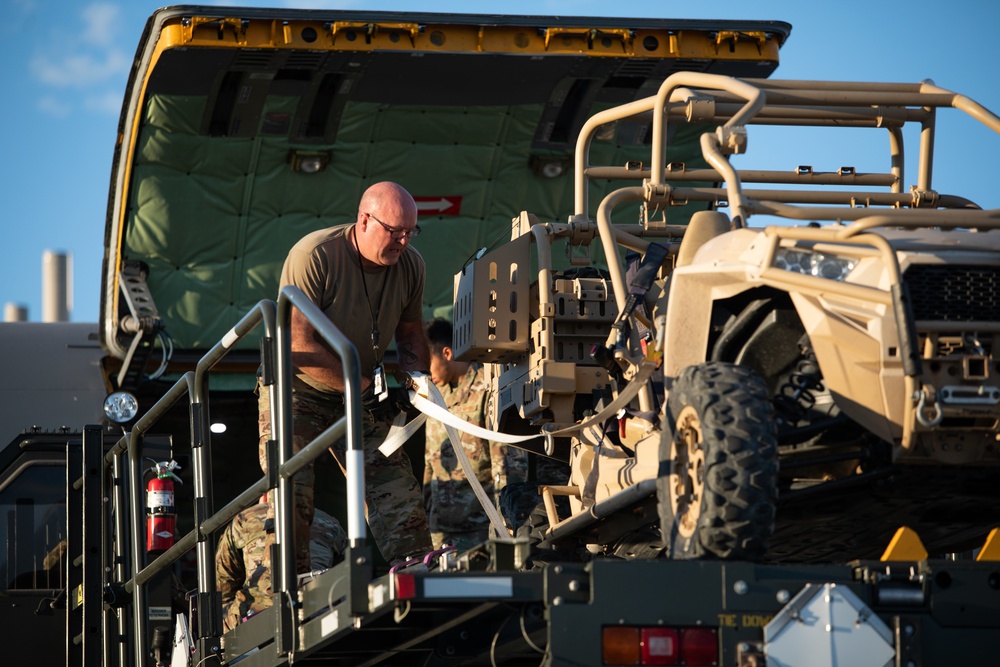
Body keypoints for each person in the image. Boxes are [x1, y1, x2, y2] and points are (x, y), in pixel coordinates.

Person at [257, 181, 433, 570]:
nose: (402, 242)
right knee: (292, 488)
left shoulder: (411, 266)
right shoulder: (314, 255)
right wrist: (366, 386)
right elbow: (296, 347)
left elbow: (410, 332)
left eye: (410, 232)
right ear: (364, 219)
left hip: (360, 391)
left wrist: (420, 381)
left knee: (392, 479)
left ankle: (416, 568)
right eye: (394, 231)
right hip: (296, 388)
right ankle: (289, 589)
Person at [423, 318, 529, 551]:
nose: (424, 370)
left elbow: (504, 462)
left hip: (479, 530)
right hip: (441, 531)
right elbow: (430, 463)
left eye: (427, 361)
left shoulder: (486, 389)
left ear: (447, 353)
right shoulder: (435, 395)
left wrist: (506, 525)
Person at [215, 501, 347, 632]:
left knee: (217, 614)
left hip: (254, 616)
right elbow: (344, 577)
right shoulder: (330, 523)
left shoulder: (244, 519)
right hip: (317, 612)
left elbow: (222, 588)